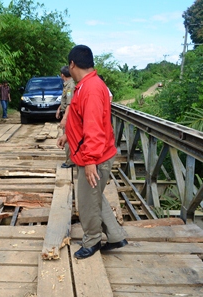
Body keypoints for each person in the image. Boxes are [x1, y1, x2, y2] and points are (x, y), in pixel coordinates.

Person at [57, 45, 128, 259]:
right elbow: (80, 121)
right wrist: (67, 136)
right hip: (91, 152)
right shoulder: (86, 85)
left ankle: (92, 240)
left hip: (95, 155)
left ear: (72, 64)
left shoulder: (91, 88)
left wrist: (90, 161)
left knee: (87, 201)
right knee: (95, 197)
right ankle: (115, 236)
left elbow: (94, 128)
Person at [55, 66, 75, 169]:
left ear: (62, 75)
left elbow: (70, 104)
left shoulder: (70, 86)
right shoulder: (67, 85)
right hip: (66, 112)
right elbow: (66, 101)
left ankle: (70, 161)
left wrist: (64, 119)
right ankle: (70, 159)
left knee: (68, 138)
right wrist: (59, 108)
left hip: (69, 116)